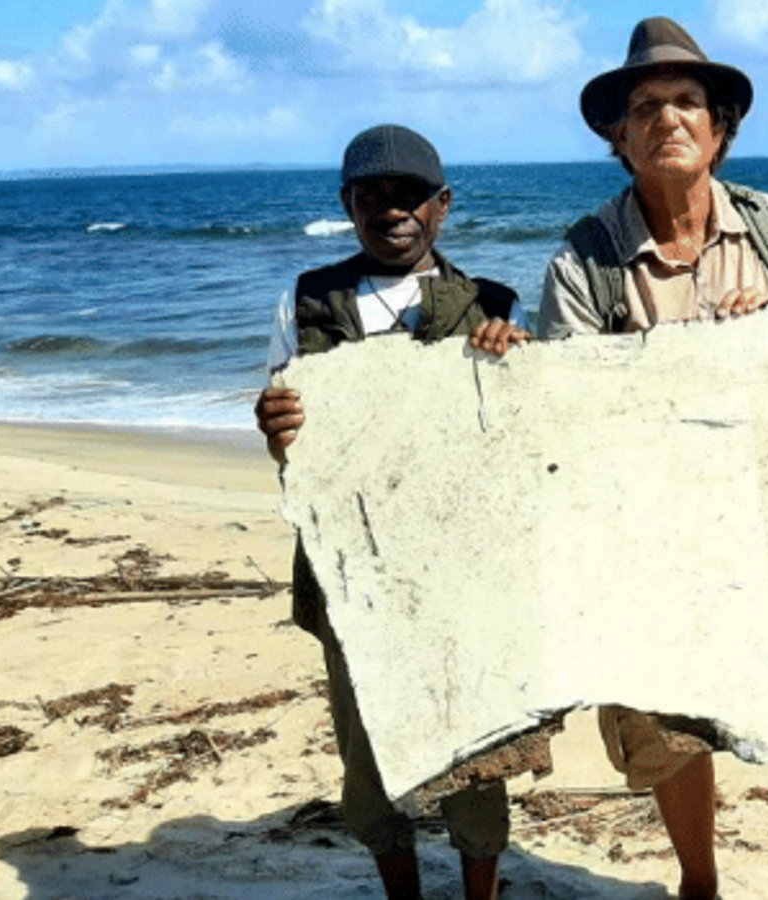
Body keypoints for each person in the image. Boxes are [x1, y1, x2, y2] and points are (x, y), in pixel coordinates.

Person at [535, 17, 768, 900]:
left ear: (720, 127)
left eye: (688, 102)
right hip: (648, 538)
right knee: (664, 719)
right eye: (646, 106)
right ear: (618, 134)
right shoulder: (585, 256)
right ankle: (700, 883)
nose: (668, 118)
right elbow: (565, 404)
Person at [255, 123, 529, 900]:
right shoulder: (307, 300)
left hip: (461, 566)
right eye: (370, 196)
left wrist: (518, 366)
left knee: (479, 738)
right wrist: (275, 432)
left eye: (409, 195)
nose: (391, 211)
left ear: (442, 206)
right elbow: (289, 444)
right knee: (366, 743)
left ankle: (481, 890)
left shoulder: (493, 304)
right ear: (347, 205)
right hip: (349, 568)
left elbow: (516, 447)